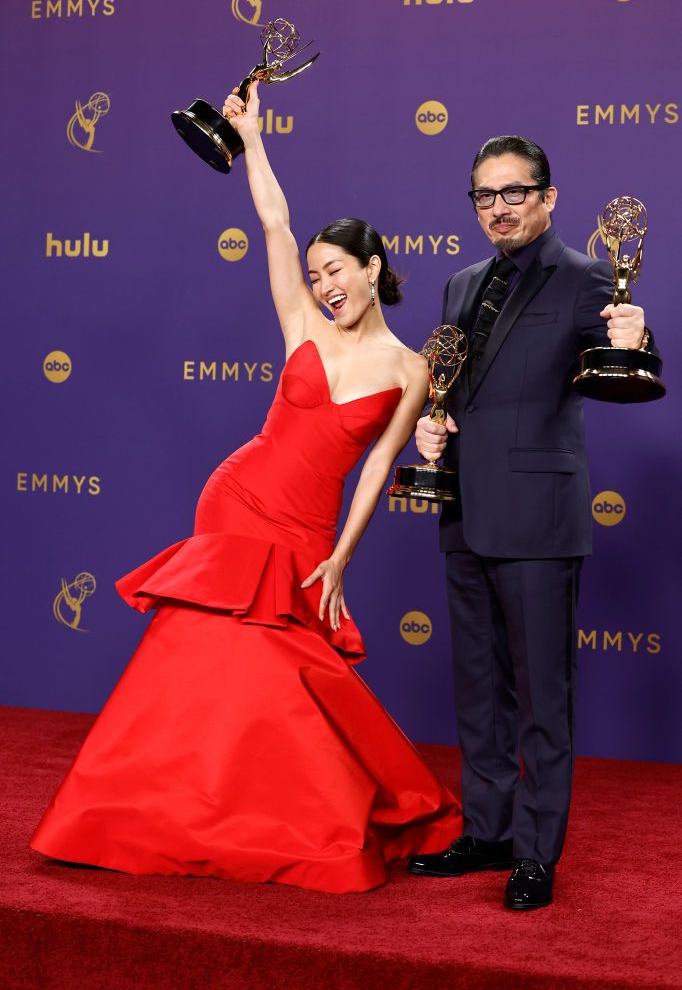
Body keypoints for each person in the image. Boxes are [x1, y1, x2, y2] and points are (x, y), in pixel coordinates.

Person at [30, 82, 461, 894]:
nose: (323, 284)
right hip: (237, 498)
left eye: (335, 270)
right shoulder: (301, 324)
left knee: (282, 675)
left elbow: (377, 469)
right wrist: (252, 140)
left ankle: (281, 815)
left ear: (373, 268)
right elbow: (274, 223)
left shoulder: (413, 370)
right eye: (315, 273)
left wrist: (341, 558)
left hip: (308, 526)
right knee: (202, 662)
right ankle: (157, 809)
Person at [408, 136, 655, 910]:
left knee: (544, 696)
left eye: (515, 192)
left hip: (540, 520)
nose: (499, 208)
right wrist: (430, 425)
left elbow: (623, 364)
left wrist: (633, 340)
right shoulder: (460, 284)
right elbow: (453, 389)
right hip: (462, 511)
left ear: (548, 197)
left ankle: (536, 853)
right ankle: (488, 831)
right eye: (485, 195)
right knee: (479, 688)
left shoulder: (586, 277)